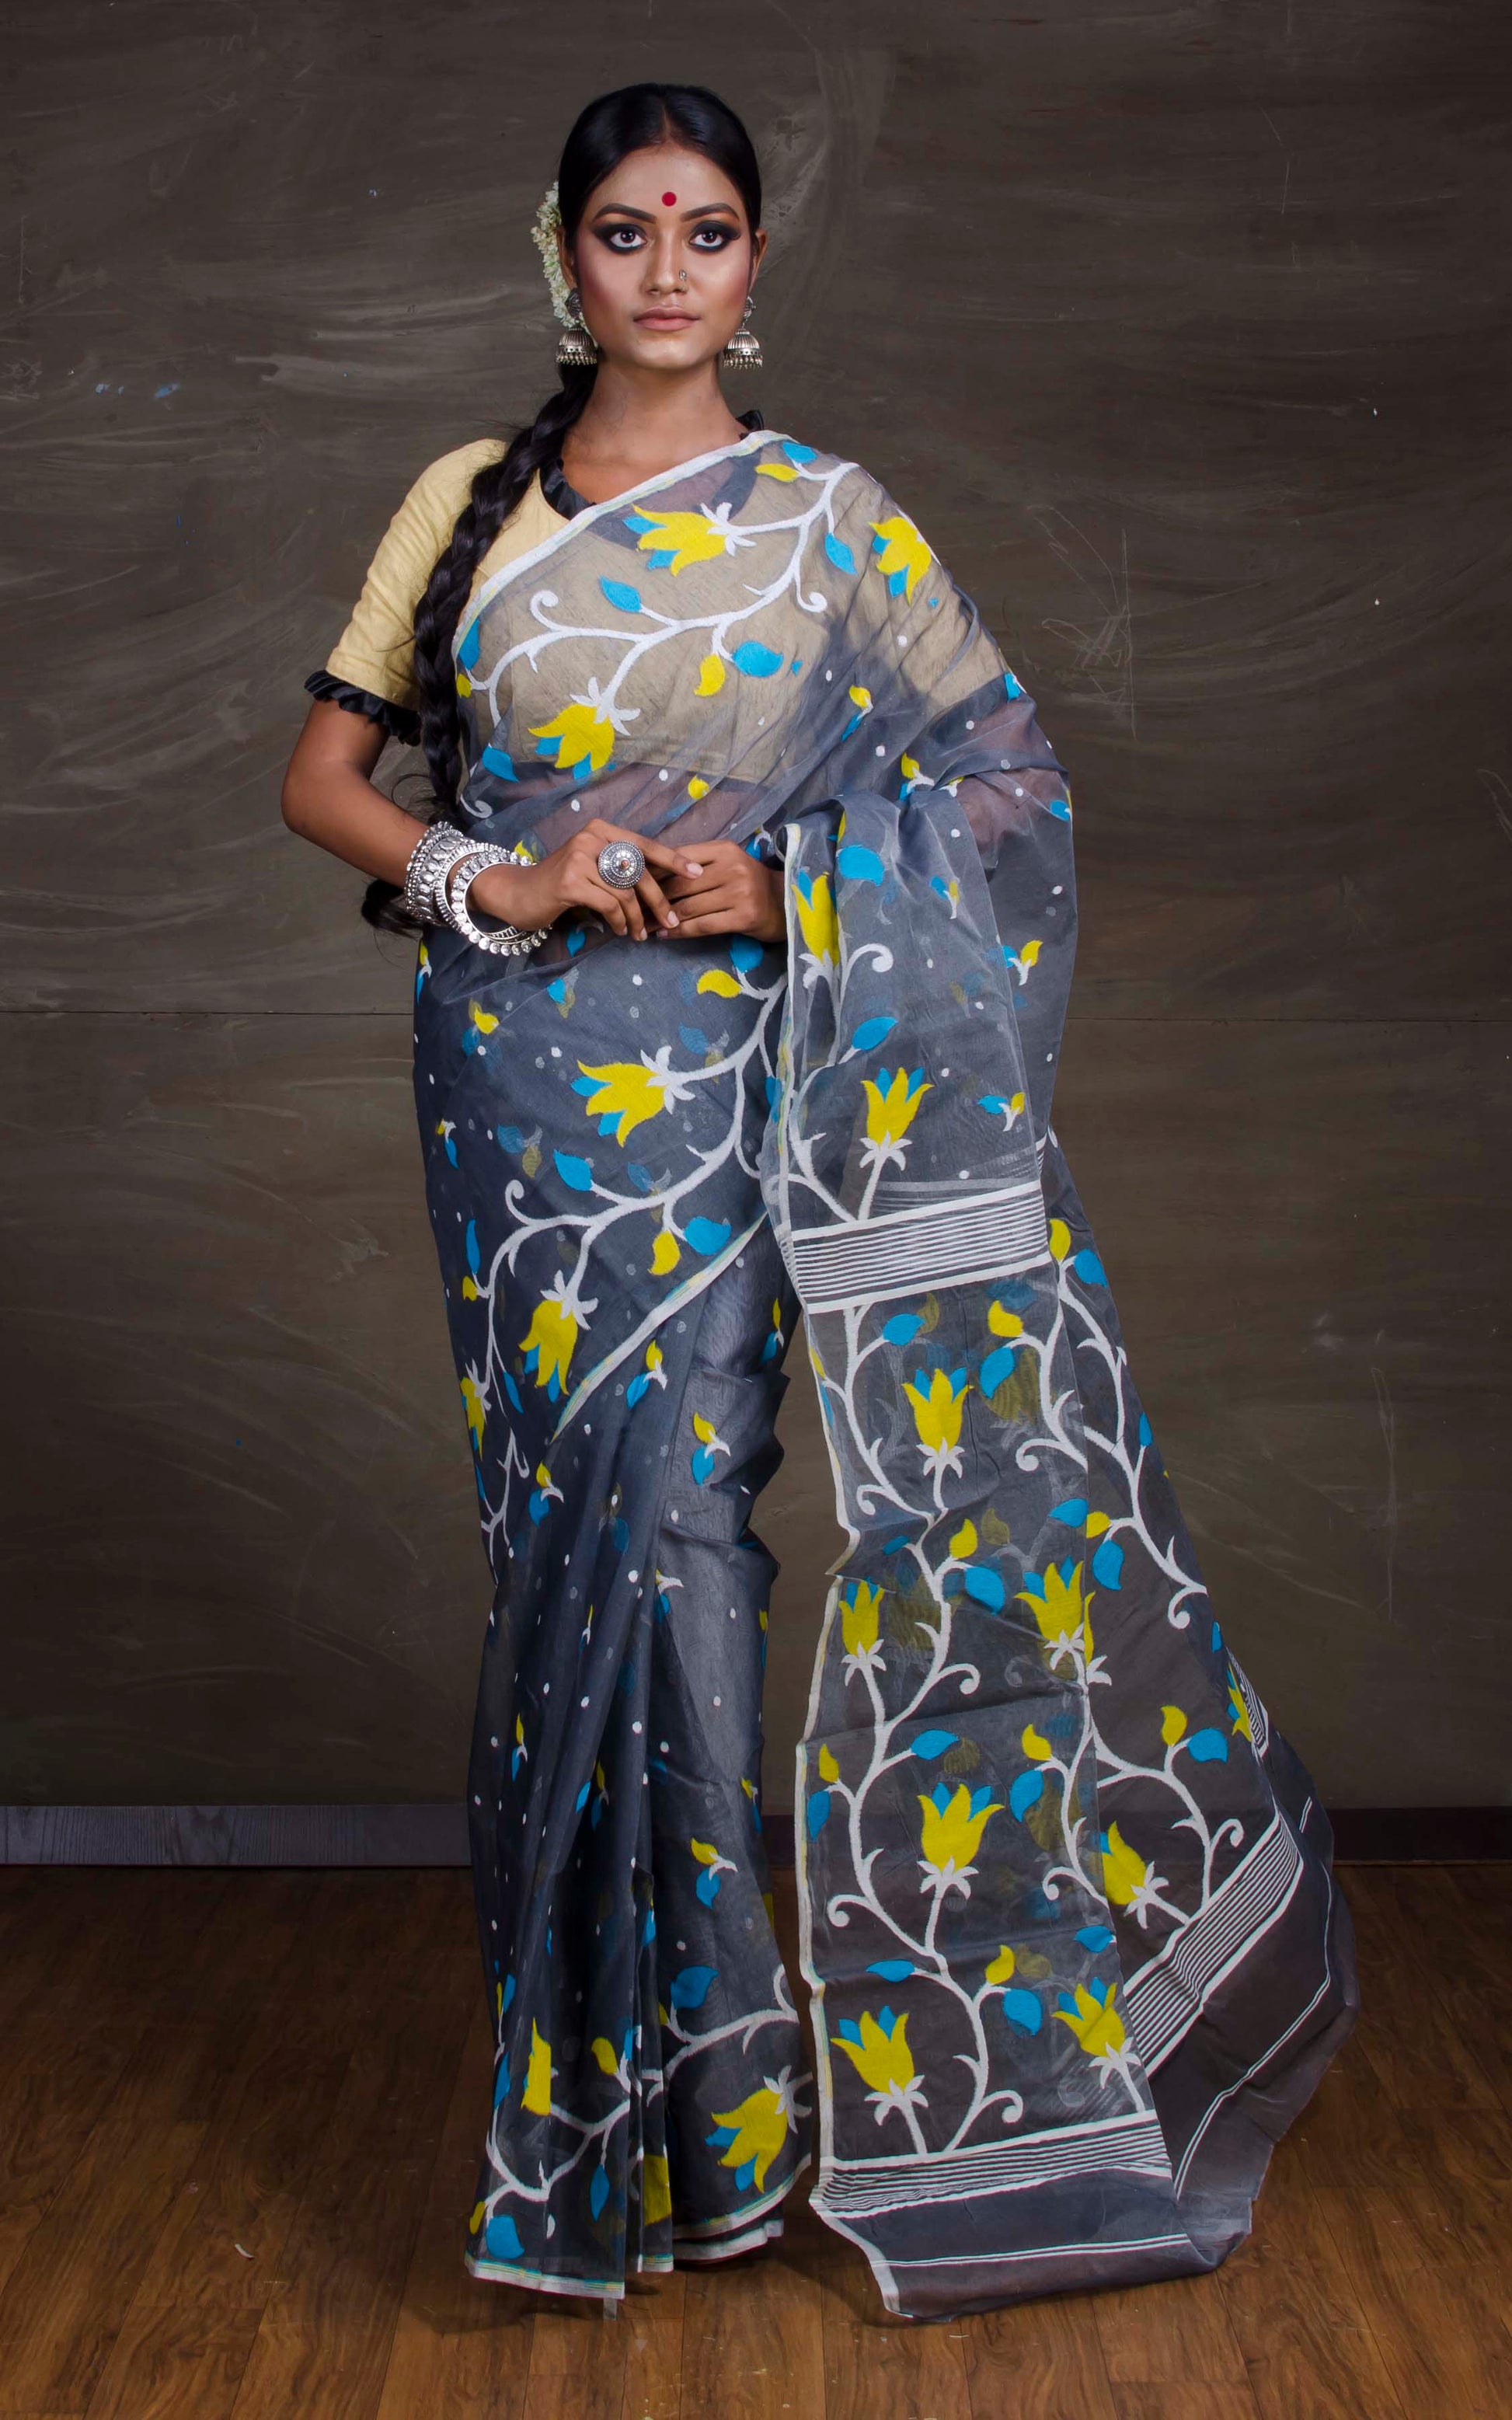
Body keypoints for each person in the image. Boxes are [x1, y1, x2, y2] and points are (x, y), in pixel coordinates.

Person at [281, 81, 1357, 2321]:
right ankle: (622, 2126)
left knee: (684, 1542)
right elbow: (323, 781)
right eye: (625, 229)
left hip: (745, 1092)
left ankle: (733, 2110)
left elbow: (1007, 785)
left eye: (706, 230)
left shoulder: (832, 520)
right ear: (560, 255)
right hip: (520, 1108)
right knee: (566, 1564)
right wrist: (506, 880)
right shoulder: (461, 503)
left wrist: (786, 885)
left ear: (755, 263)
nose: (666, 268)